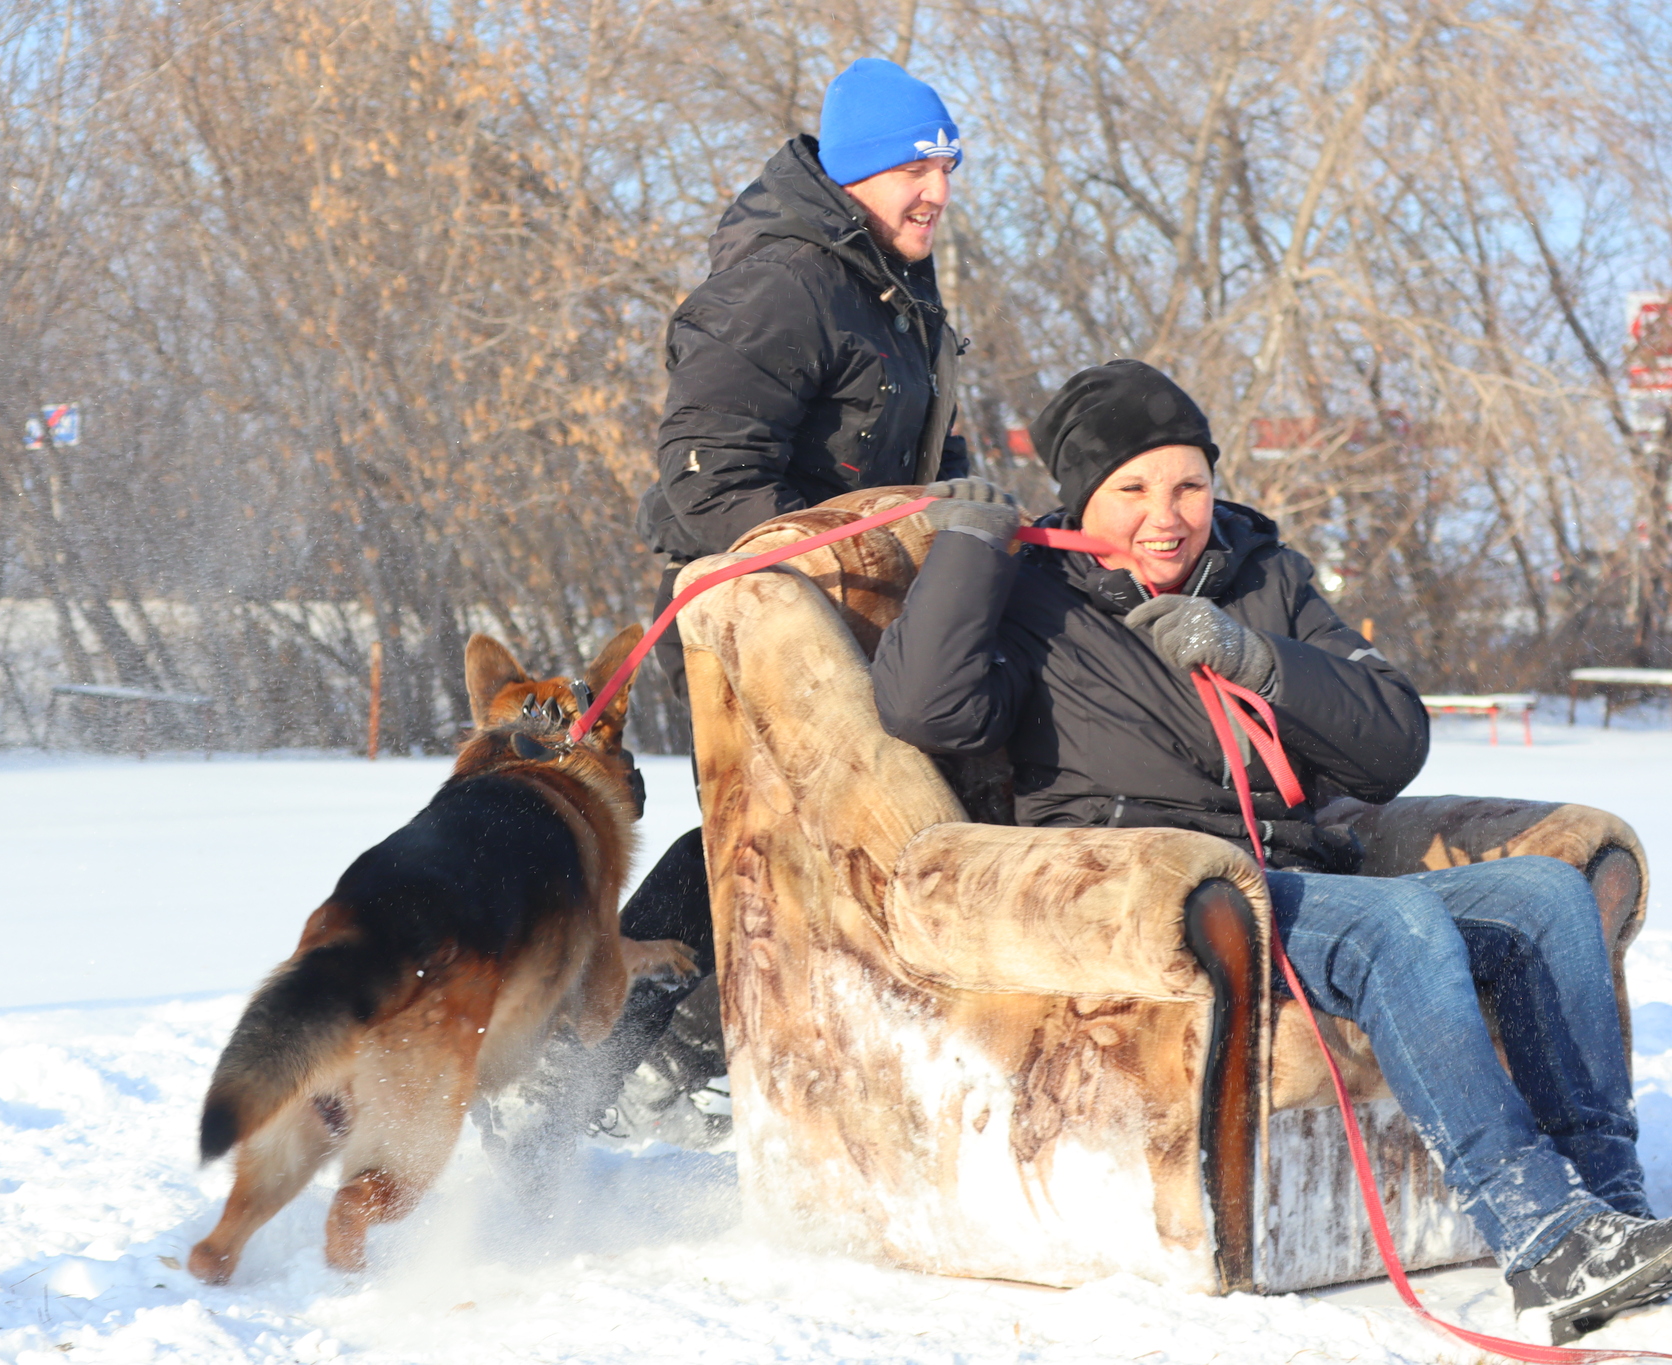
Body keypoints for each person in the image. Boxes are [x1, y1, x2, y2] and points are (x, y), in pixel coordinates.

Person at [868, 357, 1672, 1346]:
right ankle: (1542, 1238)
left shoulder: (1265, 575)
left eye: (1188, 486)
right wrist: (965, 552)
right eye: (1130, 490)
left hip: (1302, 874)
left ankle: (1606, 1209)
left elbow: (1391, 744)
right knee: (1402, 921)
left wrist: (1259, 660)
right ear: (1079, 498)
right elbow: (922, 709)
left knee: (1546, 895)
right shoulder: (1032, 599)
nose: (1165, 515)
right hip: (1158, 888)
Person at [475, 57, 980, 1165]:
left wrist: (974, 523)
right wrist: (828, 557)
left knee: (810, 843)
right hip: (756, 616)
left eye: (945, 165)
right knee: (763, 841)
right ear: (853, 172)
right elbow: (703, 473)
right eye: (911, 166)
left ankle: (706, 1051)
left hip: (866, 615)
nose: (934, 187)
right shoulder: (783, 284)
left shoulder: (896, 287)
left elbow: (929, 454)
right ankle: (580, 1054)